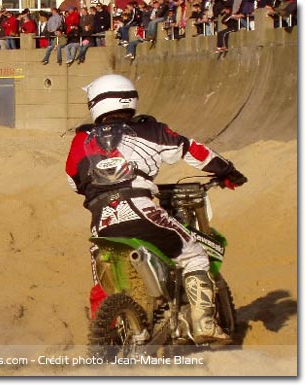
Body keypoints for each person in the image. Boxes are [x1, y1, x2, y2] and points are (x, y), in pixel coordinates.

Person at [65, 74, 247, 344]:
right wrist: (227, 171)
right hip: (139, 207)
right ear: (131, 100)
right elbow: (190, 149)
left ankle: (108, 341)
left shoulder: (81, 139)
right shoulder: (149, 130)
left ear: (95, 103)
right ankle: (204, 323)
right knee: (194, 254)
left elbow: (73, 180)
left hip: (101, 219)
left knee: (106, 282)